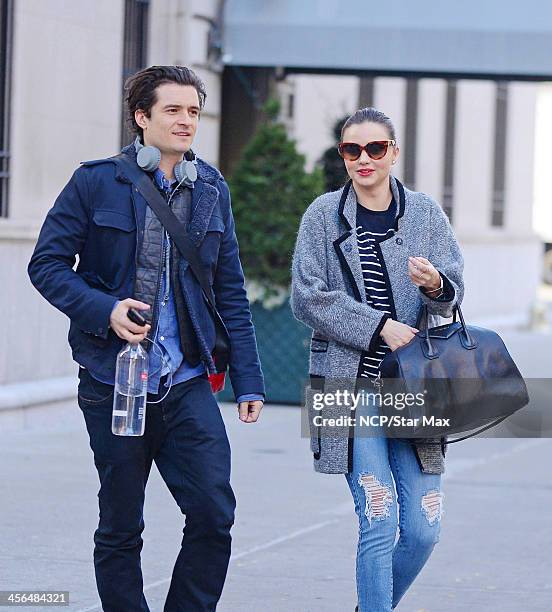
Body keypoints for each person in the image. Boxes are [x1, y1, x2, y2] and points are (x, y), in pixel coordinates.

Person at [28, 65, 265, 612]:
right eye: (173, 111)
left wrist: (249, 379)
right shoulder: (94, 181)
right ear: (142, 117)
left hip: (184, 383)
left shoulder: (211, 189)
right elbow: (47, 265)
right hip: (113, 382)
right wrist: (105, 309)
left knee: (213, 512)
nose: (186, 122)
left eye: (193, 112)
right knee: (121, 523)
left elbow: (229, 290)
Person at [290, 107, 464, 611]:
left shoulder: (425, 213)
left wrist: (435, 285)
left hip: (414, 387)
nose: (364, 159)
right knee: (379, 512)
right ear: (343, 155)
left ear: (394, 151)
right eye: (352, 150)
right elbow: (306, 296)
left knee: (425, 529)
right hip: (347, 385)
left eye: (375, 148)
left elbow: (450, 290)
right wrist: (377, 327)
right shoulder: (323, 215)